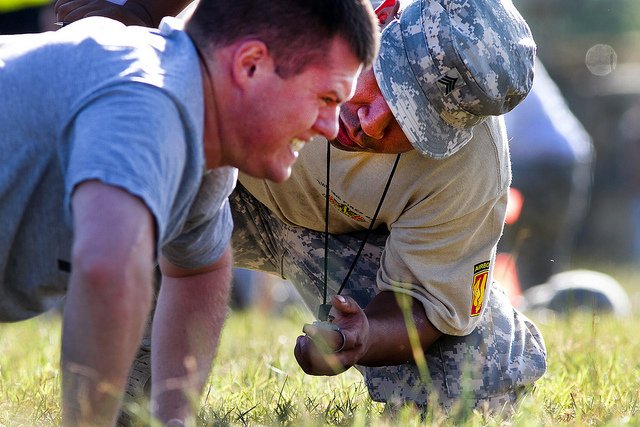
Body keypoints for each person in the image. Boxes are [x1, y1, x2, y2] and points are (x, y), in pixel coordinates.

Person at [57, 0, 548, 416]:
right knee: (131, 198)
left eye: (412, 123)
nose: (371, 123)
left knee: (472, 378)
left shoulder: (473, 170)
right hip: (223, 175)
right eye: (385, 86)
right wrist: (117, 21)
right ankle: (128, 396)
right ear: (382, 16)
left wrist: (366, 335)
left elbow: (424, 305)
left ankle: (500, 343)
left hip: (338, 241)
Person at [0, 0, 379, 425]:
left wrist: (174, 419)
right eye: (326, 97)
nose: (331, 127)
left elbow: (198, 270)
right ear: (250, 64)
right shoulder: (150, 94)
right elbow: (108, 269)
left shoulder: (203, 132)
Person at [499, 60, 595, 292]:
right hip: (568, 160)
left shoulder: (497, 60)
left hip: (543, 163)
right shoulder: (512, 47)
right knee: (542, 255)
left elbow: (496, 136)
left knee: (527, 249)